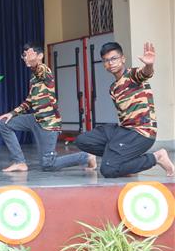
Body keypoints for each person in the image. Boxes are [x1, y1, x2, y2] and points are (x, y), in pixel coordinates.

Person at [74, 42, 174, 178]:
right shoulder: (113, 88)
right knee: (82, 140)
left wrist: (149, 65)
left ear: (123, 59)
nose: (110, 63)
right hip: (124, 130)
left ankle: (157, 157)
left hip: (141, 132)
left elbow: (145, 73)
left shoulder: (132, 75)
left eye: (114, 58)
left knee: (108, 170)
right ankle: (125, 162)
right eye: (106, 60)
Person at [0, 42, 95, 173]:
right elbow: (29, 101)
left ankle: (86, 156)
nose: (26, 57)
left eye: (29, 54)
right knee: (4, 123)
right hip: (36, 119)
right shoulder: (33, 78)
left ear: (40, 56)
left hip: (49, 123)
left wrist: (34, 62)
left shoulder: (44, 71)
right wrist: (12, 114)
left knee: (48, 164)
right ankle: (19, 162)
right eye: (24, 55)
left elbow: (40, 69)